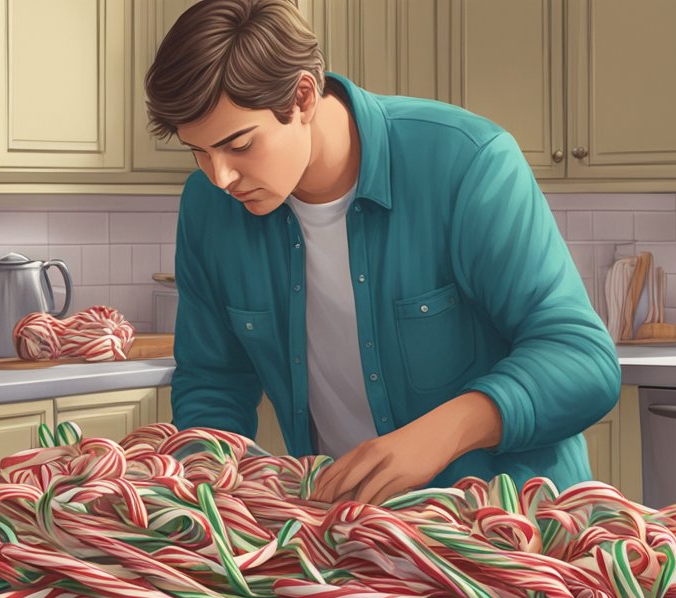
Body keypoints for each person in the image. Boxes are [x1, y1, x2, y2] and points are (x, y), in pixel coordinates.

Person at [144, 0, 621, 505]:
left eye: (239, 145)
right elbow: (213, 383)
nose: (220, 176)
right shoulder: (209, 207)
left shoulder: (465, 162)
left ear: (303, 97)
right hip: (357, 541)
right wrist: (208, 507)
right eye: (198, 151)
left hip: (519, 532)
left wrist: (443, 434)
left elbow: (584, 360)